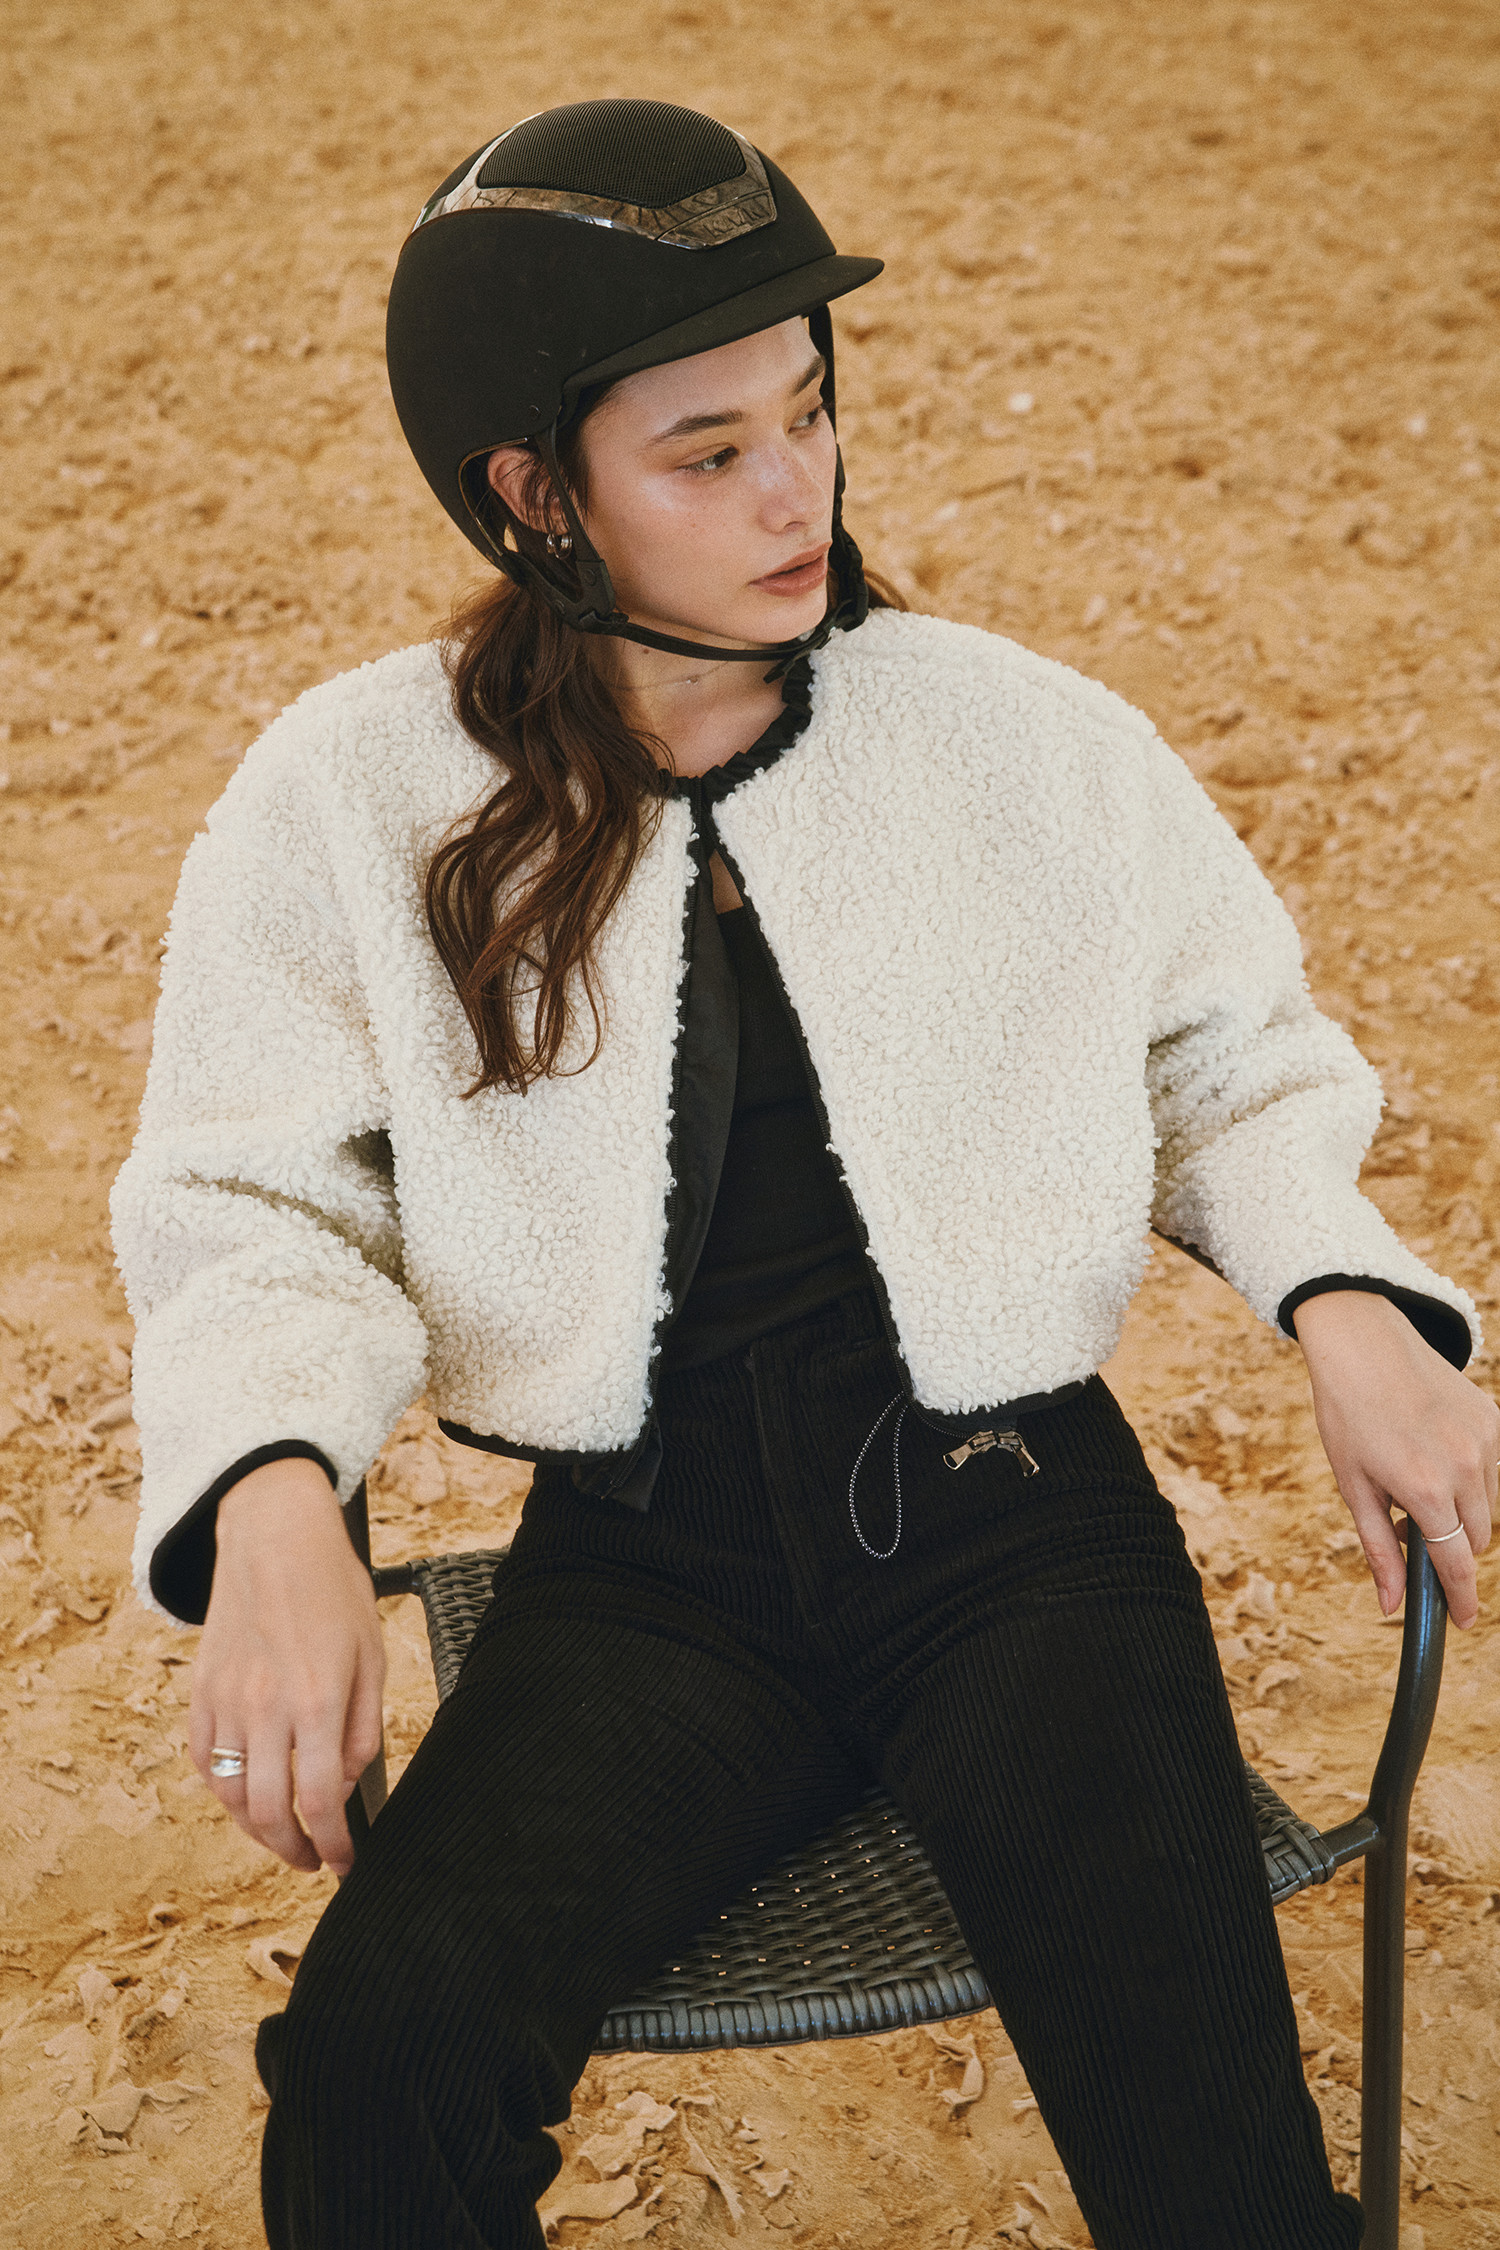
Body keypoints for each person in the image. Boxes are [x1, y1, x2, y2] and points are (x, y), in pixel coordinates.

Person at [111, 99, 1497, 2250]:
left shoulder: (1015, 735)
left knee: (1220, 2184)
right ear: (532, 493)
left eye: (810, 412)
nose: (798, 491)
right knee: (377, 2090)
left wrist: (1346, 1300)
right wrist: (277, 1488)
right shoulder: (353, 797)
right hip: (647, 1574)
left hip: (1016, 1530)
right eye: (707, 452)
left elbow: (1233, 1055)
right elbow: (253, 1199)